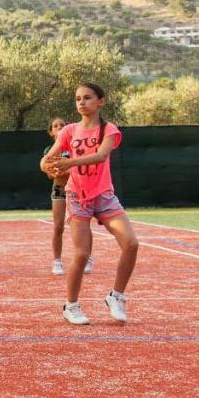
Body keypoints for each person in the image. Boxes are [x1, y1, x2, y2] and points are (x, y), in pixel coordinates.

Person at [43, 82, 138, 325]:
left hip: (104, 195)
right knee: (82, 253)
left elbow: (101, 156)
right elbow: (48, 159)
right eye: (78, 99)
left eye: (87, 97)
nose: (82, 102)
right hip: (77, 197)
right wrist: (48, 167)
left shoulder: (109, 130)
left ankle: (116, 296)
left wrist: (69, 163)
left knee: (131, 243)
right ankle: (71, 306)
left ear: (100, 101)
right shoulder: (68, 131)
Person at [41, 117, 92, 276]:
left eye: (63, 125)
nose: (60, 127)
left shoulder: (74, 146)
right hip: (59, 189)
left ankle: (88, 258)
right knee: (58, 226)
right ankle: (57, 261)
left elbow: (79, 167)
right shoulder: (49, 150)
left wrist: (65, 168)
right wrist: (59, 170)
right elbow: (50, 174)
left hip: (77, 189)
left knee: (84, 226)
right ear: (51, 132)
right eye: (56, 126)